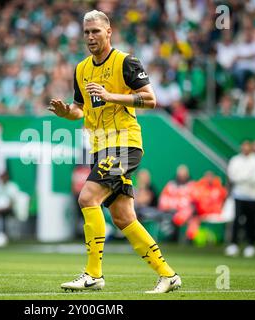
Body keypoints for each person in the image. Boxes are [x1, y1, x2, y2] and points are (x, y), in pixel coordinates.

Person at [48, 10, 181, 293]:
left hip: (124, 144)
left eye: (96, 31)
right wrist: (66, 113)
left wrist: (111, 96)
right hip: (101, 148)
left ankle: (93, 274)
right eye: (86, 32)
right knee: (123, 217)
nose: (90, 37)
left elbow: (150, 100)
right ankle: (168, 275)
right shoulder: (81, 69)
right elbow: (80, 110)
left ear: (109, 32)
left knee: (87, 197)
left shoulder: (126, 62)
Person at [225, 140, 255, 258]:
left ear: (250, 147)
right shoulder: (235, 160)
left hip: (252, 197)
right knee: (236, 220)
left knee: (251, 222)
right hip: (238, 195)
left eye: (248, 146)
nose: (245, 148)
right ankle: (233, 245)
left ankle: (251, 245)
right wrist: (246, 177)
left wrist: (241, 178)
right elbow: (232, 176)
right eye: (244, 146)